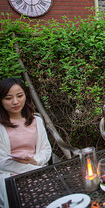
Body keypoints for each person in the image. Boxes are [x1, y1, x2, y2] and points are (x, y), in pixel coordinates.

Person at [0, 78, 52, 207]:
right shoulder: (1, 127)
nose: (15, 102)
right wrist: (33, 169)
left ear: (26, 95)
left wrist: (36, 161)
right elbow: (2, 162)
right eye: (8, 98)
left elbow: (46, 149)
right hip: (11, 176)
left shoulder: (36, 120)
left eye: (19, 96)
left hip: (37, 168)